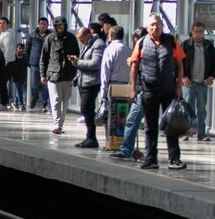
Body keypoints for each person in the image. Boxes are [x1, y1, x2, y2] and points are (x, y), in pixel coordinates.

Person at [129, 13, 186, 170]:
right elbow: (134, 66)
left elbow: (180, 64)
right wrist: (133, 89)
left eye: (158, 24)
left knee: (171, 125)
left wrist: (179, 86)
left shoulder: (172, 42)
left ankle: (174, 159)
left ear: (162, 26)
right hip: (149, 91)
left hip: (169, 90)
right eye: (152, 25)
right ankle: (151, 158)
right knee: (150, 126)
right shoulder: (141, 43)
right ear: (148, 28)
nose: (155, 27)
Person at [110, 28, 149, 161]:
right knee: (147, 122)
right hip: (142, 90)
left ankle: (127, 149)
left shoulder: (147, 50)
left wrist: (135, 64)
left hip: (144, 91)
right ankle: (148, 152)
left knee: (132, 120)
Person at [180, 21, 215, 141]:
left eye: (201, 32)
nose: (198, 34)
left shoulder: (209, 46)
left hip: (203, 83)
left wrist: (212, 76)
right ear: (192, 32)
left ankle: (201, 134)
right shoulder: (185, 45)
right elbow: (179, 63)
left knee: (202, 109)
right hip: (189, 83)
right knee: (188, 108)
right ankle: (187, 133)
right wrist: (183, 76)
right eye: (196, 32)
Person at [40, 17, 79, 135]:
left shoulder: (71, 38)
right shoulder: (50, 39)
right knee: (55, 100)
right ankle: (57, 125)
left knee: (65, 102)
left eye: (62, 25)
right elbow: (44, 58)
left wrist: (75, 72)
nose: (60, 28)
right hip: (53, 75)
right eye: (58, 26)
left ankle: (60, 124)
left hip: (68, 75)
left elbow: (77, 56)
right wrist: (43, 74)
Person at [71, 24, 105, 147]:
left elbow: (96, 64)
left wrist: (78, 62)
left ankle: (92, 138)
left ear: (88, 35)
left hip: (91, 82)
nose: (81, 41)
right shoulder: (88, 44)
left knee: (86, 108)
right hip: (84, 80)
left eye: (81, 39)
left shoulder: (98, 44)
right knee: (86, 109)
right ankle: (89, 137)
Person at [25, 17, 50, 112]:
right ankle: (35, 97)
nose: (42, 26)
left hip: (46, 63)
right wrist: (27, 61)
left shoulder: (50, 35)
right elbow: (27, 48)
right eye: (41, 24)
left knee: (44, 85)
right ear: (38, 25)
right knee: (33, 84)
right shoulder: (32, 34)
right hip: (34, 62)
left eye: (45, 24)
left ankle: (44, 104)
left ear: (47, 25)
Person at [0, 18, 15, 108]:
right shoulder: (0, 35)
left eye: (3, 23)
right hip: (1, 62)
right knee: (0, 83)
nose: (1, 25)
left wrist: (4, 63)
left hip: (6, 63)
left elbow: (8, 50)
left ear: (7, 25)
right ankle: (2, 101)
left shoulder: (8, 35)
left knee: (2, 83)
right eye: (0, 23)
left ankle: (4, 102)